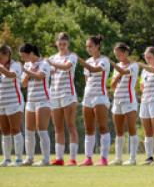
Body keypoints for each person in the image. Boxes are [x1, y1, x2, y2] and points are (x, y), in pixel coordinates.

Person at [46, 32, 79, 166]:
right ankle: (59, 158)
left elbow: (66, 67)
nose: (62, 46)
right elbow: (48, 72)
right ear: (56, 43)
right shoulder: (53, 57)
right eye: (60, 44)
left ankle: (72, 158)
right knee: (58, 128)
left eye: (64, 44)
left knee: (70, 125)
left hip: (68, 95)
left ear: (68, 44)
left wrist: (51, 63)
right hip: (54, 94)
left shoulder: (72, 56)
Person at [78, 35, 111, 166]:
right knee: (88, 128)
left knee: (102, 127)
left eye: (90, 46)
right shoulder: (88, 61)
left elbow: (95, 70)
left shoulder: (104, 60)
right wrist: (84, 62)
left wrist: (80, 61)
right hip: (88, 96)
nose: (88, 49)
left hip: (100, 96)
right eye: (87, 46)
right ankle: (88, 158)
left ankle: (103, 158)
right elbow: (87, 80)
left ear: (98, 46)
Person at [20, 43, 51, 166]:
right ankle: (29, 158)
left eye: (24, 56)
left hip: (43, 100)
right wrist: (26, 73)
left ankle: (45, 159)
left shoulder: (44, 64)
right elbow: (23, 84)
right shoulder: (27, 65)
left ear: (31, 53)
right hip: (30, 101)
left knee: (42, 130)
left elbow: (40, 76)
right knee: (29, 131)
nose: (23, 59)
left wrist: (26, 71)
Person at [110, 43, 139, 166]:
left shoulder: (134, 65)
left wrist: (110, 63)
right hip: (117, 100)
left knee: (131, 128)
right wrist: (116, 77)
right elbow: (112, 85)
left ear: (126, 53)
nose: (118, 57)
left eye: (119, 54)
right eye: (116, 55)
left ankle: (132, 158)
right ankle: (118, 158)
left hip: (129, 100)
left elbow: (124, 72)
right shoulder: (117, 65)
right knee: (119, 130)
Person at [0, 44, 24, 166]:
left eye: (1, 57)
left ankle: (19, 159)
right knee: (4, 131)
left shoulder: (16, 65)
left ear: (7, 55)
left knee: (15, 129)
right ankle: (7, 159)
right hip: (1, 103)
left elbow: (11, 75)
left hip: (14, 101)